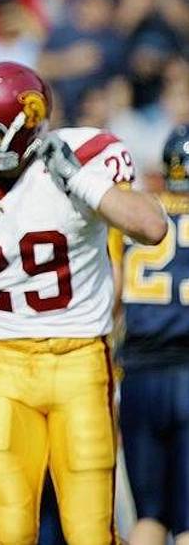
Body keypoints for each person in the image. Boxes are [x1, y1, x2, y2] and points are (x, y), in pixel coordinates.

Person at [0, 61, 168, 543]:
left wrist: (83, 182)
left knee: (90, 530)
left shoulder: (83, 158)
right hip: (3, 363)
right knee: (9, 529)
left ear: (23, 130)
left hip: (79, 360)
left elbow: (152, 227)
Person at [118, 124, 189, 545]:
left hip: (140, 376)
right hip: (187, 370)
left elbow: (109, 295)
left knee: (148, 518)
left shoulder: (134, 214)